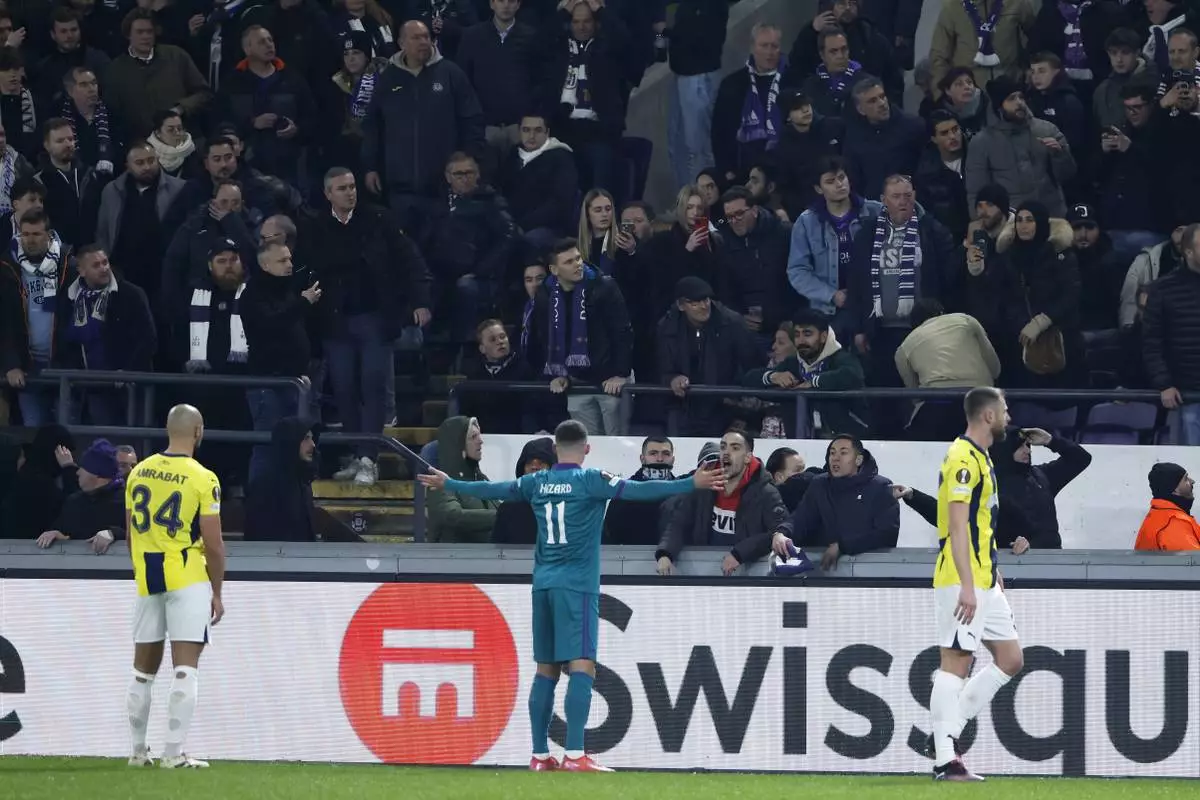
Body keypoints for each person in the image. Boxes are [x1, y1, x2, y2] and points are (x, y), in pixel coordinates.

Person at [417, 419, 724, 772]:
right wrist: (690, 483)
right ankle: (575, 754)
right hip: (577, 585)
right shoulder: (592, 480)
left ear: (554, 449)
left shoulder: (536, 482)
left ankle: (539, 755)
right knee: (582, 665)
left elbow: (495, 488)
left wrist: (450, 483)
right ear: (587, 448)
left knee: (545, 669)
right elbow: (639, 491)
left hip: (543, 584)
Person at [927, 386, 1024, 781]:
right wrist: (968, 585)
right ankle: (945, 759)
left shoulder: (981, 456)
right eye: (1004, 410)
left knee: (1011, 659)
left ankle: (947, 730)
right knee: (956, 660)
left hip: (984, 575)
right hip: (960, 577)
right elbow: (957, 525)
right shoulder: (962, 458)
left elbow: (981, 525)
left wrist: (991, 567)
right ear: (988, 415)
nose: (1008, 417)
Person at [124, 404, 226, 769]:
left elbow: (130, 535)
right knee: (185, 669)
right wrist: (217, 592)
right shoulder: (203, 478)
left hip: (147, 578)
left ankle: (138, 752)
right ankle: (172, 754)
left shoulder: (138, 471)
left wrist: (141, 570)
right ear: (198, 431)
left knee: (142, 672)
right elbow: (213, 544)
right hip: (186, 577)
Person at [34, 437, 125, 553]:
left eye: (84, 468)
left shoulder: (127, 501)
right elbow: (66, 532)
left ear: (97, 474)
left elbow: (141, 533)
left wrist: (114, 533)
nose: (78, 472)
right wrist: (57, 534)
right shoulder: (74, 502)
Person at [426, 415, 498, 543]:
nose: (480, 441)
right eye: (473, 437)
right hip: (453, 554)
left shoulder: (480, 478)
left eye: (479, 435)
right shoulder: (439, 482)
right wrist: (502, 517)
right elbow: (453, 516)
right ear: (458, 444)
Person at [1134, 462, 1200, 550]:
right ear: (1174, 490)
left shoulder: (1161, 514)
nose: (1192, 481)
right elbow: (1192, 558)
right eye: (1185, 479)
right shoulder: (1173, 523)